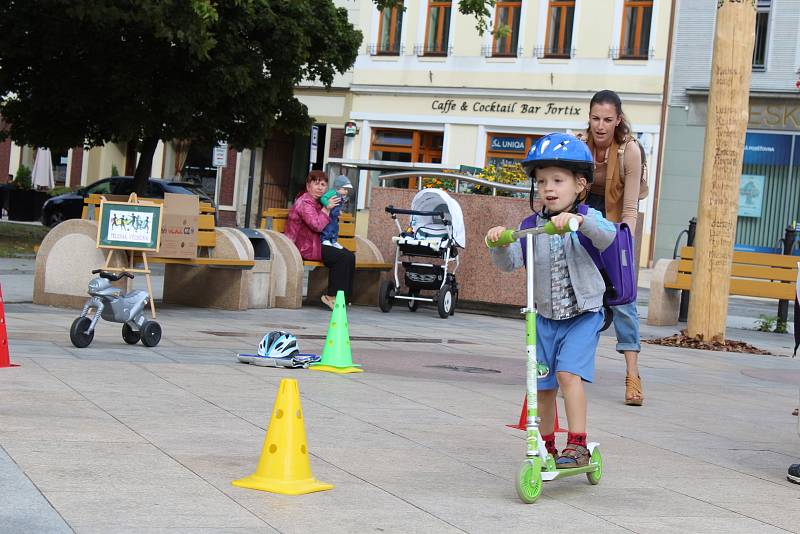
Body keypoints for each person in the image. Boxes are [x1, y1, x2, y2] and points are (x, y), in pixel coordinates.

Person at [486, 133, 616, 468]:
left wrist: (579, 222)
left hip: (582, 315)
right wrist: (499, 242)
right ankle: (546, 446)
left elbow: (607, 235)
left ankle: (578, 444)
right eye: (542, 181)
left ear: (580, 185)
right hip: (543, 319)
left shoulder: (588, 217)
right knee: (541, 385)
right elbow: (510, 263)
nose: (549, 188)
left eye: (558, 180)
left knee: (567, 375)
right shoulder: (531, 225)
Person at [583, 89, 645, 406]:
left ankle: (633, 376)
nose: (601, 126)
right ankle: (572, 367)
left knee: (624, 301)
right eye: (596, 118)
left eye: (608, 119)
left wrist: (623, 247)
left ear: (618, 119)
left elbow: (631, 208)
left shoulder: (629, 151)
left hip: (615, 224)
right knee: (580, 297)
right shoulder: (580, 146)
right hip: (583, 223)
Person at [285, 171, 355, 310]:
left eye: (323, 184)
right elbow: (316, 225)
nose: (320, 187)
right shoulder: (304, 203)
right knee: (341, 258)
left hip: (317, 243)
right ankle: (331, 296)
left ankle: (343, 298)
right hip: (305, 246)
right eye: (316, 184)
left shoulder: (317, 201)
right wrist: (327, 209)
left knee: (349, 257)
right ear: (308, 185)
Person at [319, 175, 353, 249]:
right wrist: (327, 204)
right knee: (329, 227)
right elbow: (323, 198)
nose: (346, 191)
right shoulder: (332, 192)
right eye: (344, 189)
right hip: (329, 215)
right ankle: (325, 239)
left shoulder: (341, 196)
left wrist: (339, 211)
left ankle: (333, 240)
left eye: (347, 190)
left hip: (335, 217)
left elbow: (338, 205)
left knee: (335, 228)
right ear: (338, 187)